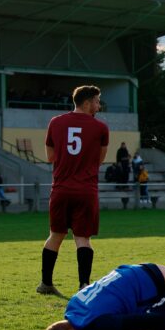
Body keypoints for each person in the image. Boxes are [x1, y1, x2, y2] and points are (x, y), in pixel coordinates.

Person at [38, 85, 109, 298]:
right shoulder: (100, 128)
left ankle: (46, 283)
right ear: (87, 103)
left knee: (55, 235)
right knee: (83, 239)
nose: (98, 105)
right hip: (86, 190)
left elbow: (50, 157)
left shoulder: (55, 122)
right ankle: (83, 285)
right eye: (97, 101)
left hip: (60, 189)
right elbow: (100, 160)